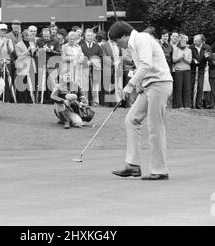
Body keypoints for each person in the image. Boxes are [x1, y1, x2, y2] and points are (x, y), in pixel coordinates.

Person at [110, 22, 173, 181]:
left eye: (117, 41)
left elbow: (146, 64)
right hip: (149, 86)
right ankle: (133, 165)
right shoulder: (133, 44)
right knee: (131, 119)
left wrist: (130, 85)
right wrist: (139, 84)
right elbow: (142, 68)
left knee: (155, 126)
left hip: (159, 84)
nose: (118, 45)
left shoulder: (141, 38)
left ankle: (160, 170)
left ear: (124, 35)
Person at [80, 28, 103, 107]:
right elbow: (78, 57)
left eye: (91, 35)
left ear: (94, 36)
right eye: (88, 35)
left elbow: (101, 57)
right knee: (84, 85)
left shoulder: (98, 47)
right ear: (85, 36)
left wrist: (93, 62)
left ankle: (95, 102)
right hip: (84, 68)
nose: (89, 37)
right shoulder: (81, 46)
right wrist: (86, 62)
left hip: (95, 69)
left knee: (95, 86)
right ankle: (85, 102)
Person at [190, 34, 212, 109]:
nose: (194, 42)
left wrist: (206, 57)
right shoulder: (191, 47)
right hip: (193, 69)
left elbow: (210, 59)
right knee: (191, 85)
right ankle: (191, 103)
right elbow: (190, 57)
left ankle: (199, 104)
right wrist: (193, 60)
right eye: (194, 40)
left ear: (201, 41)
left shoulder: (207, 47)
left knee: (200, 86)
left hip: (201, 69)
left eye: (196, 41)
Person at [172, 34, 192, 109]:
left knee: (186, 88)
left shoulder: (189, 50)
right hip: (178, 70)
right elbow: (174, 60)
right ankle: (179, 105)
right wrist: (180, 57)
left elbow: (189, 61)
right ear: (179, 42)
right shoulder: (175, 49)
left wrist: (184, 59)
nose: (183, 43)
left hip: (187, 70)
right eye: (182, 41)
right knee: (178, 88)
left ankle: (187, 104)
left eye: (185, 41)